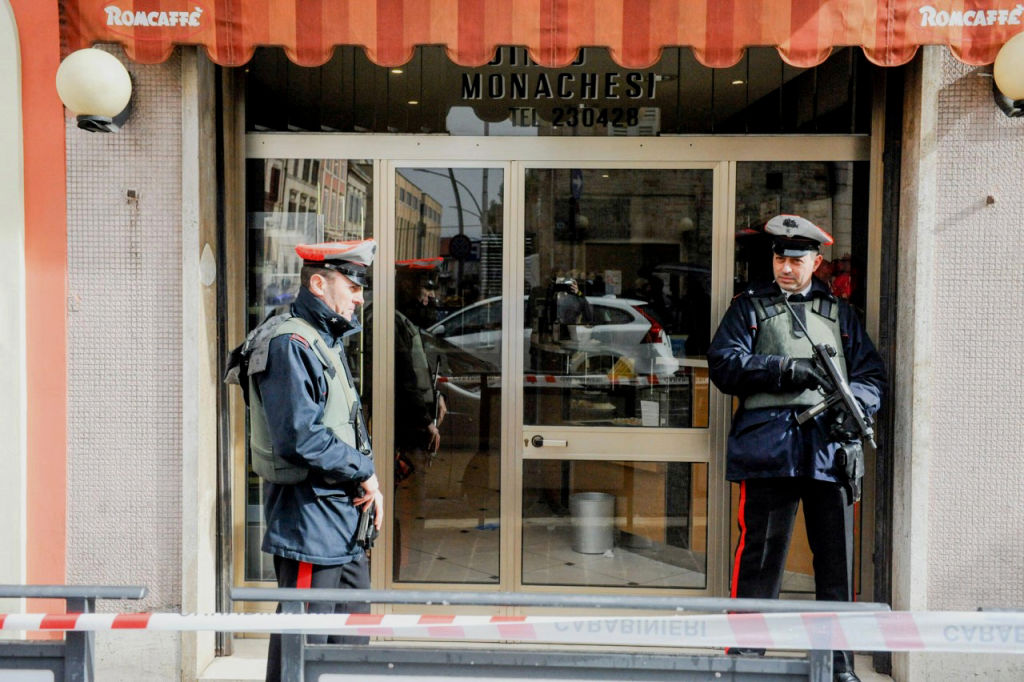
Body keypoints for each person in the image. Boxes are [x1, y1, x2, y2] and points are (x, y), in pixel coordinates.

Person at [707, 215, 885, 682]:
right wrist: (785, 370)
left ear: (817, 262)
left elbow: (872, 378)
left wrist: (857, 405)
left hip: (829, 450)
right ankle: (745, 656)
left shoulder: (841, 314)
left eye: (797, 259)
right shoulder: (748, 308)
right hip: (770, 451)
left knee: (835, 565)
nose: (786, 267)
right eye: (780, 258)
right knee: (760, 560)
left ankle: (837, 663)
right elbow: (724, 364)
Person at [237, 239, 383, 682]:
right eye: (353, 285)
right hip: (309, 520)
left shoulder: (325, 337)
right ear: (318, 283)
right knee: (304, 643)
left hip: (342, 518)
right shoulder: (291, 342)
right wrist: (366, 473)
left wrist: (365, 482)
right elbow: (300, 439)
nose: (360, 296)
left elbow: (343, 424)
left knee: (351, 639)